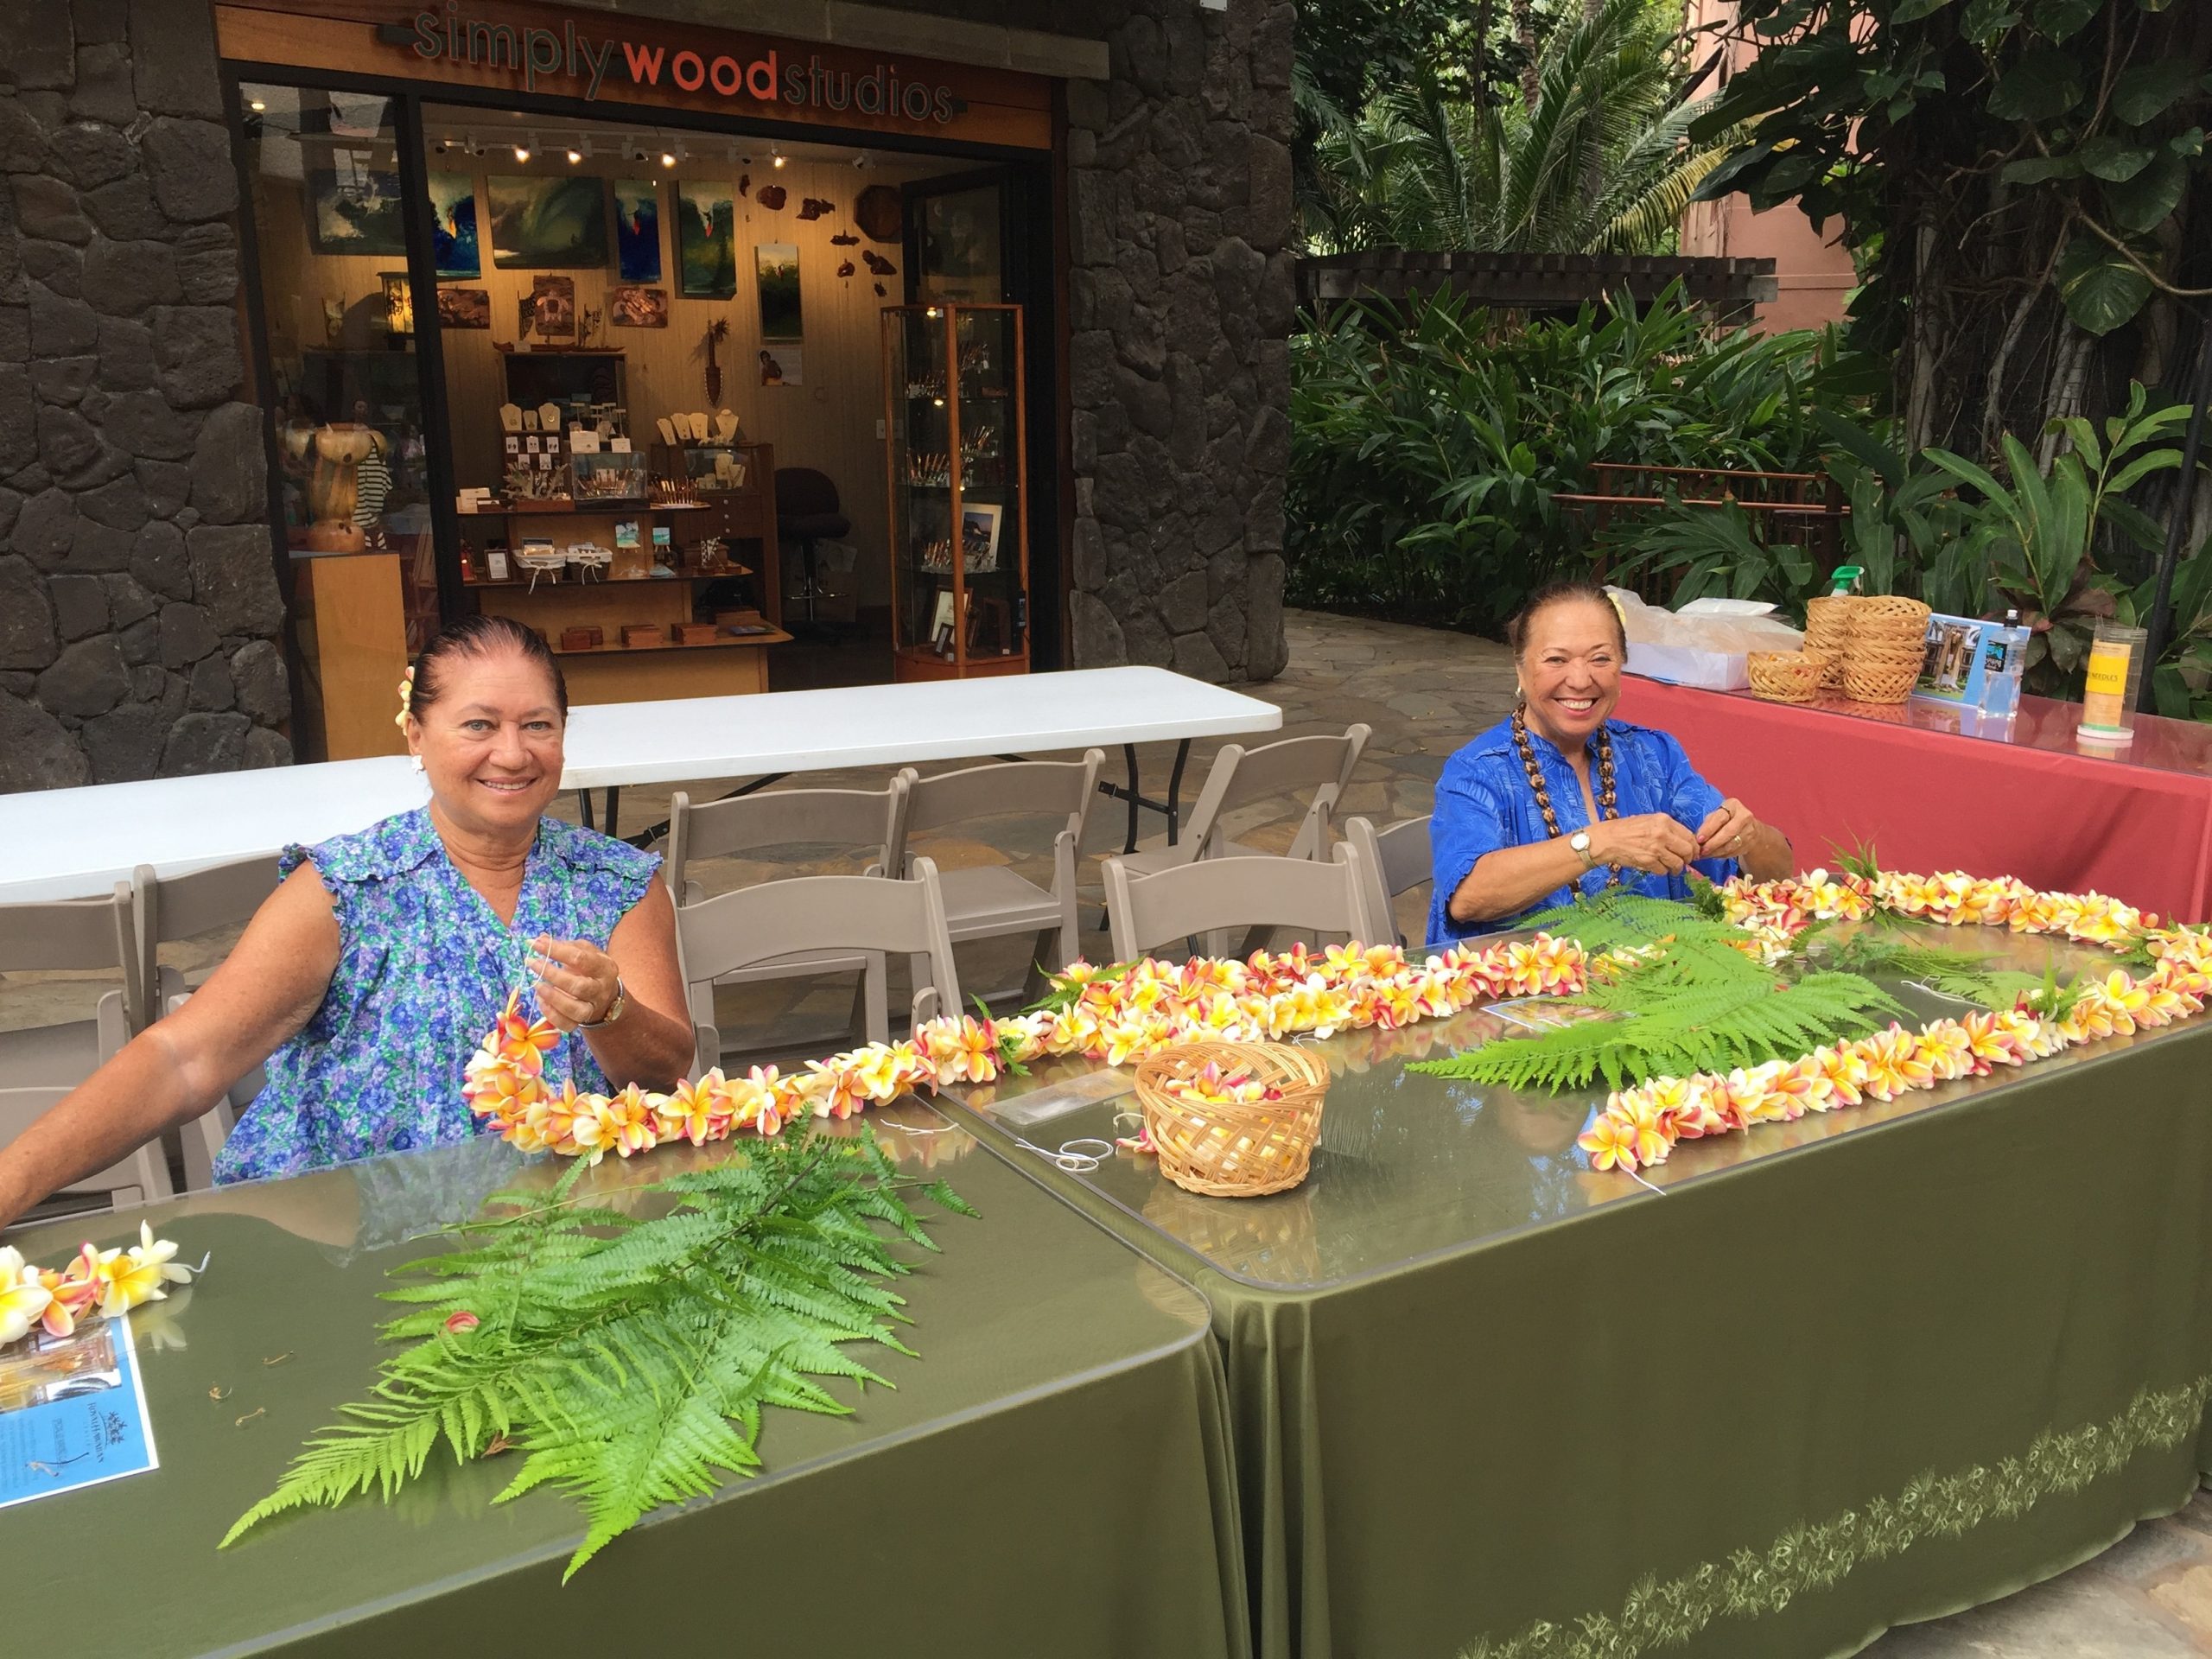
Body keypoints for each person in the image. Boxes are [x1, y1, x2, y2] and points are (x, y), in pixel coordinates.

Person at [0, 616, 695, 1228]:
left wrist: (610, 1010)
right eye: (479, 725)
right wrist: (14, 1183)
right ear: (417, 736)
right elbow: (185, 1059)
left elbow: (666, 1070)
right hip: (351, 1248)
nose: (512, 754)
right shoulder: (349, 888)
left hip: (567, 1238)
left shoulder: (616, 884)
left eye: (537, 724)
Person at [1427, 578, 1793, 945]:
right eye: (1556, 659)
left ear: (1621, 666)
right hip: (1527, 978)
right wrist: (1599, 843)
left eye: (1600, 658)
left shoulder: (1653, 755)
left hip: (1659, 973)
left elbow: (1772, 874)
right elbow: (1467, 897)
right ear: (1521, 669)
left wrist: (1752, 837)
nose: (1580, 679)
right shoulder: (1478, 771)